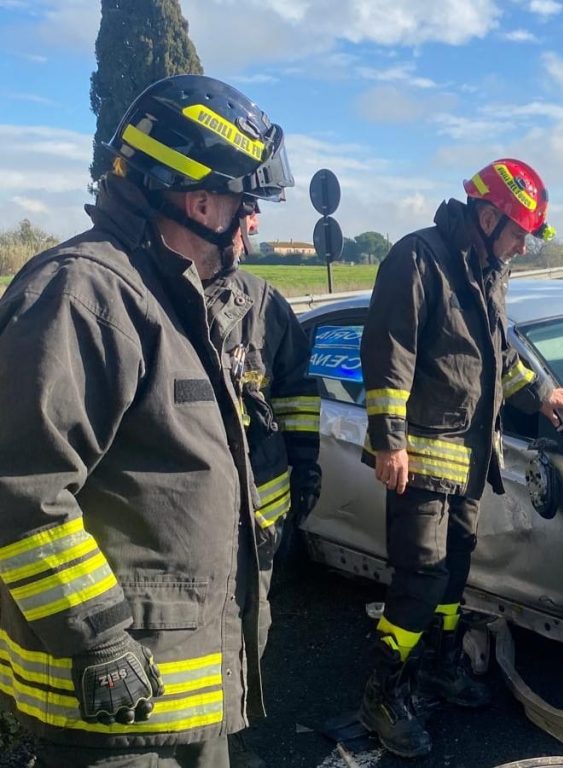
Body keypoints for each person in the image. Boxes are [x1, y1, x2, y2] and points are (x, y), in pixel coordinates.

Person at [0, 74, 294, 768]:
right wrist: (98, 639)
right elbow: (21, 492)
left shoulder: (180, 299)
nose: (254, 222)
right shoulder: (83, 295)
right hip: (114, 706)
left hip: (180, 690)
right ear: (198, 200)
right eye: (245, 203)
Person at [357, 158, 563, 757]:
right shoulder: (418, 259)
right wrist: (389, 439)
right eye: (516, 234)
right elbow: (389, 353)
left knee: (454, 572)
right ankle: (383, 691)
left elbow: (497, 357)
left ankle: (437, 664)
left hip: (467, 459)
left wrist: (541, 396)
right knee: (421, 576)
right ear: (487, 217)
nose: (520, 247)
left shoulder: (487, 271)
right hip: (422, 459)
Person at [203, 203, 321, 768]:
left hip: (262, 524)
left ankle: (235, 736)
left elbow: (297, 393)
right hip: (197, 529)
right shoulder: (151, 297)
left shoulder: (264, 303)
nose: (253, 230)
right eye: (245, 217)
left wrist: (305, 466)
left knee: (252, 633)